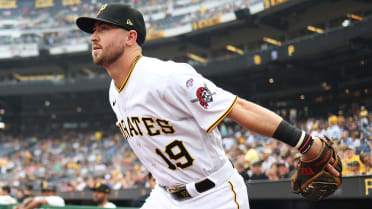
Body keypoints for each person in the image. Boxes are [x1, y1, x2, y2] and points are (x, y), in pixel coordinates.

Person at [76, 3, 340, 208]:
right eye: (94, 31)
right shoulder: (114, 91)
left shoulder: (167, 76)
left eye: (104, 29)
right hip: (165, 197)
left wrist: (305, 144)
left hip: (215, 196)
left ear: (130, 37)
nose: (93, 37)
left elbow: (240, 109)